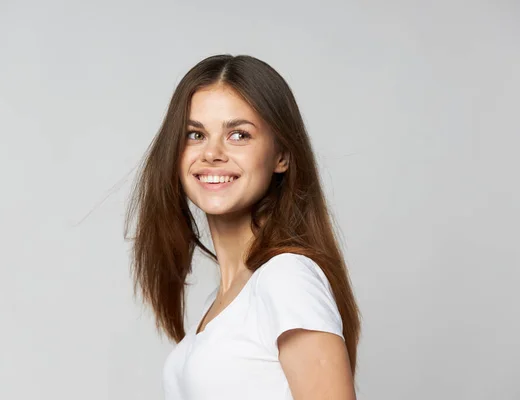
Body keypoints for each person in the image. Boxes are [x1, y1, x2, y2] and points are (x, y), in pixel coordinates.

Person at [124, 54, 361, 399]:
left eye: (238, 134)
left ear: (282, 156)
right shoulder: (222, 302)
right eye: (194, 134)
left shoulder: (286, 279)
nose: (212, 153)